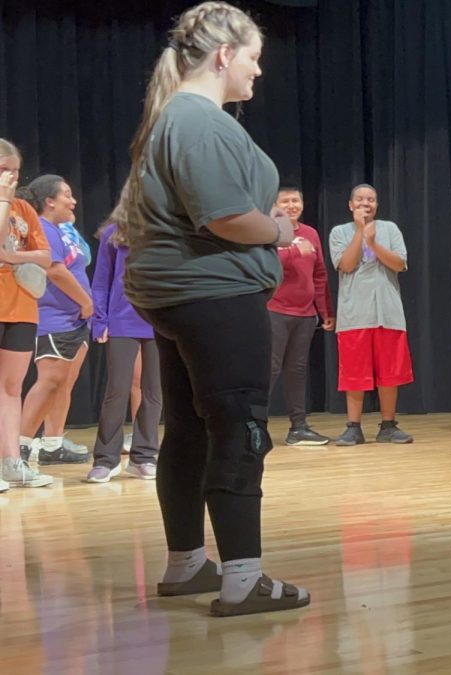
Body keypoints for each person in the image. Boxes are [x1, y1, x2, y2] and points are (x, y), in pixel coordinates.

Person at [122, 1, 309, 615]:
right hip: (214, 292)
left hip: (181, 295)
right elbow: (226, 217)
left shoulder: (176, 119)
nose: (257, 72)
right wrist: (280, 231)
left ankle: (187, 565)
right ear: (224, 54)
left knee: (190, 427)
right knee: (239, 428)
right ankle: (243, 579)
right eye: (252, 58)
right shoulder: (197, 121)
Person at [328, 184, 415, 445]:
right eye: (360, 199)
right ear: (350, 204)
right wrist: (359, 233)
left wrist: (373, 242)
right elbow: (346, 264)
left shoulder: (389, 229)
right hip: (355, 313)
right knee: (354, 372)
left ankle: (388, 425)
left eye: (371, 199)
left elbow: (399, 264)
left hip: (388, 311)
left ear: (377, 204)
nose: (366, 203)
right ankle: (353, 427)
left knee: (390, 372)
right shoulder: (339, 232)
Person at [88, 191, 162, 482]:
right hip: (121, 321)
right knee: (117, 389)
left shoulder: (167, 234)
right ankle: (105, 459)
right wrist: (100, 321)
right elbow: (101, 281)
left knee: (154, 391)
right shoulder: (113, 234)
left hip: (158, 322)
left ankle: (144, 456)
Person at [18, 175, 92, 466]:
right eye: (67, 195)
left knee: (63, 385)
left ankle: (52, 445)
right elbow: (55, 271)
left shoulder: (63, 231)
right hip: (54, 319)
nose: (73, 201)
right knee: (49, 381)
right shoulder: (43, 228)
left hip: (74, 321)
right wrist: (86, 301)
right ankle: (19, 449)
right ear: (49, 201)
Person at [0, 140, 54, 490]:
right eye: (4, 170)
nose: (11, 177)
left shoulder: (25, 208)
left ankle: (10, 462)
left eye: (15, 171)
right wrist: (2, 202)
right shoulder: (9, 204)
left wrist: (12, 258)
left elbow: (46, 257)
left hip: (21, 306)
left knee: (11, 386)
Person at [269, 185, 334, 446]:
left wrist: (325, 310)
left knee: (297, 370)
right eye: (285, 201)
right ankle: (253, 424)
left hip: (305, 314)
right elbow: (267, 264)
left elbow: (319, 274)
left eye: (295, 200)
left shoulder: (311, 234)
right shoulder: (268, 232)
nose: (291, 205)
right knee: (269, 368)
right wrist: (295, 250)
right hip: (275, 310)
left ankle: (298, 427)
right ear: (275, 206)